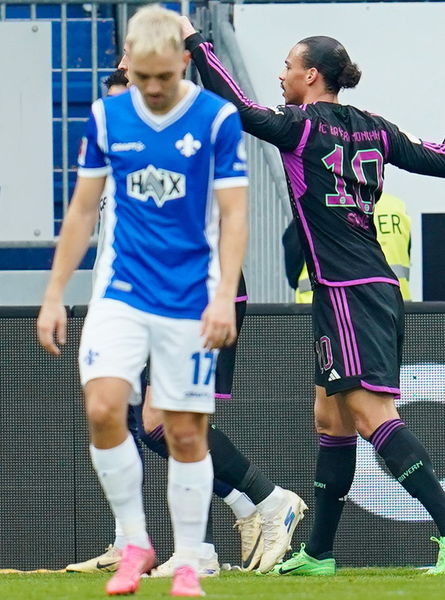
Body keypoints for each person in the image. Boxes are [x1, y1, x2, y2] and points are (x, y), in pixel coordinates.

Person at [180, 16, 445, 575]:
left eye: (286, 66)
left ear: (309, 75)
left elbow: (237, 107)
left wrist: (195, 44)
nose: (280, 75)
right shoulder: (373, 126)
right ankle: (320, 552)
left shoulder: (300, 125)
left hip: (348, 289)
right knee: (331, 419)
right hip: (363, 285)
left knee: (371, 415)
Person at [37, 7, 248, 596]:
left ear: (183, 61)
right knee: (104, 409)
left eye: (162, 76)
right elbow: (83, 209)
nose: (152, 89)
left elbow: (234, 216)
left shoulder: (216, 119)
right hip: (122, 292)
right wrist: (55, 294)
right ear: (130, 65)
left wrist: (224, 297)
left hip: (190, 297)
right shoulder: (107, 117)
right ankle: (134, 542)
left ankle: (187, 559)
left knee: (183, 432)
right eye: (142, 78)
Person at [64, 67, 306, 578]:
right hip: (152, 298)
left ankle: (262, 501)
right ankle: (210, 537)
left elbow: (219, 219)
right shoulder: (121, 165)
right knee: (156, 422)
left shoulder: (187, 142)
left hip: (196, 294)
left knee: (168, 420)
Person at [286, 192, 413, 302]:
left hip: (324, 311)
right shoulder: (396, 207)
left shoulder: (317, 206)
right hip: (394, 307)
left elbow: (293, 264)